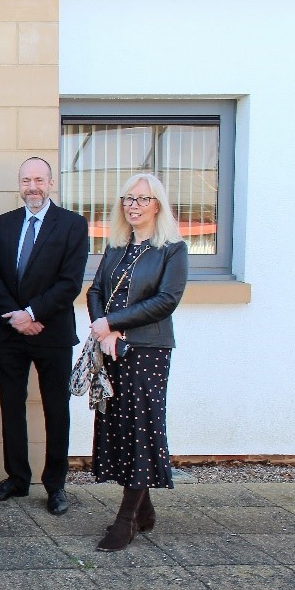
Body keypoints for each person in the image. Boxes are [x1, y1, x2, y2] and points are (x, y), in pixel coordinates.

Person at [86, 173, 189, 552]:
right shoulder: (117, 245)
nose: (133, 206)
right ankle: (144, 511)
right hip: (114, 350)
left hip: (148, 351)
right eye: (129, 199)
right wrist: (104, 332)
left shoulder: (173, 249)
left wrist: (113, 324)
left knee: (142, 426)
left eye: (142, 199)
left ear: (157, 205)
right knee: (121, 425)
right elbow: (96, 290)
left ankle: (127, 519)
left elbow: (166, 300)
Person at [0, 157, 89, 516]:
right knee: (11, 407)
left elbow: (70, 282)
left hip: (52, 332)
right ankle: (17, 478)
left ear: (51, 183)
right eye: (26, 180)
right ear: (19, 183)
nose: (33, 187)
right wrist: (16, 317)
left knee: (55, 409)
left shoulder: (73, 225)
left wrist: (32, 314)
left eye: (39, 180)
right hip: (10, 332)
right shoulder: (7, 223)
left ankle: (56, 485)